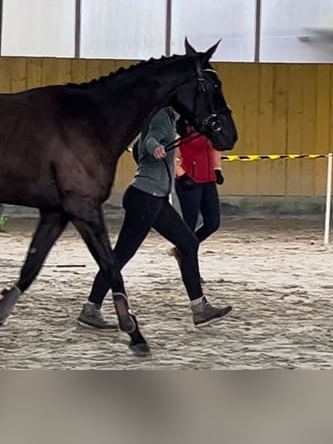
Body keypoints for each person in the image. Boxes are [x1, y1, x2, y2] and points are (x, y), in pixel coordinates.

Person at [76, 107, 232, 330]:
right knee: (122, 256)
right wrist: (156, 147)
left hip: (151, 198)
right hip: (146, 199)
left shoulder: (158, 118)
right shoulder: (161, 117)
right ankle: (91, 309)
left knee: (187, 244)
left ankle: (200, 309)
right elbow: (149, 142)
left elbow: (139, 150)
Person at [169, 116, 224, 266]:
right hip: (189, 180)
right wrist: (181, 174)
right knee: (189, 224)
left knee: (212, 222)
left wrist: (217, 169)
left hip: (208, 179)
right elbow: (171, 154)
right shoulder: (180, 128)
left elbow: (215, 147)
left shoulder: (207, 125)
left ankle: (183, 249)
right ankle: (189, 263)